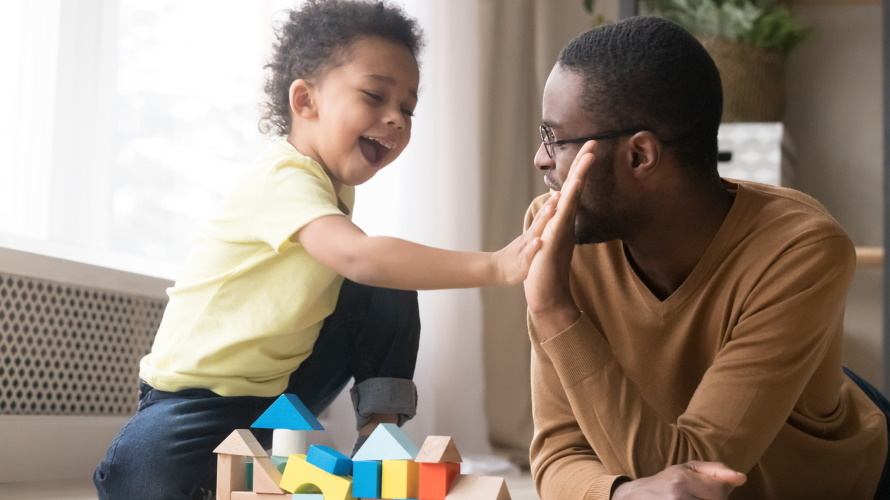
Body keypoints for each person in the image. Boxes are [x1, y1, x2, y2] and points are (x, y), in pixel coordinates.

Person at [93, 1, 558, 498]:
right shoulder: (282, 176)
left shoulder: (334, 190)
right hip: (192, 402)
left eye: (407, 108)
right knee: (142, 480)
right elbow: (359, 256)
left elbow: (367, 268)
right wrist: (495, 265)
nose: (396, 119)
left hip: (278, 397)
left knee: (386, 282)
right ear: (304, 100)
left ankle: (379, 440)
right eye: (375, 96)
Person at [522, 16, 890, 500]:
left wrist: (555, 311)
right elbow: (557, 453)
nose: (541, 159)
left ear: (640, 156)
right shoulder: (564, 235)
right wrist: (616, 495)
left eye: (556, 138)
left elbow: (691, 481)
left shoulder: (802, 250)